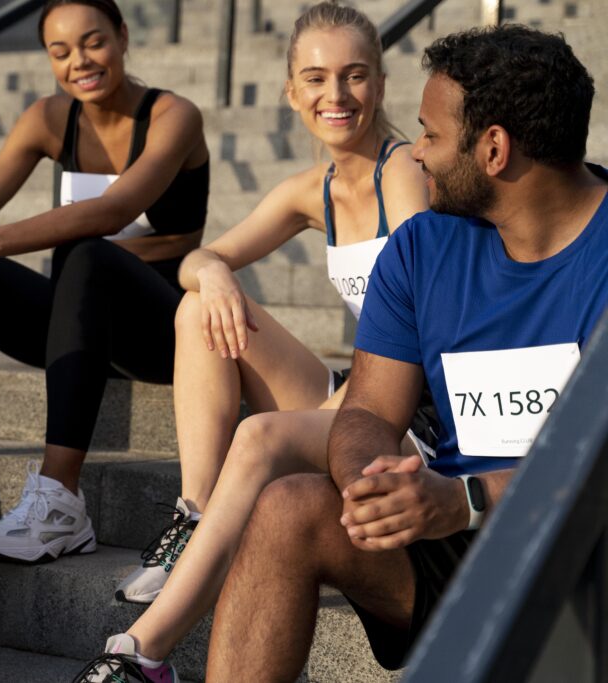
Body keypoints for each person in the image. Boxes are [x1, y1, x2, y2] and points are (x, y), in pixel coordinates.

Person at [206, 24, 607, 681]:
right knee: (287, 508)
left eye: (431, 134)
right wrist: (373, 480)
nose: (415, 154)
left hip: (585, 543)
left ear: (495, 149)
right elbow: (365, 411)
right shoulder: (421, 247)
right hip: (456, 534)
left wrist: (468, 498)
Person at [72, 3, 430, 680]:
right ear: (291, 91)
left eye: (354, 76)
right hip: (354, 391)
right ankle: (197, 516)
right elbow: (197, 259)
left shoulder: (406, 172)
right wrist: (215, 275)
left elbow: (422, 330)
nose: (336, 95)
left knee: (261, 436)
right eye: (317, 78)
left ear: (381, 83)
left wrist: (331, 420)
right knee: (197, 309)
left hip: (408, 408)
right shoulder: (310, 190)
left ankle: (142, 652)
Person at [0, 0, 209, 564]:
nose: (79, 62)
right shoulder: (48, 118)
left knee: (87, 254)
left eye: (93, 42)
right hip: (76, 331)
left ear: (122, 35)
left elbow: (114, 210)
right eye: (60, 51)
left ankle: (61, 501)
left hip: (159, 332)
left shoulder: (173, 116)